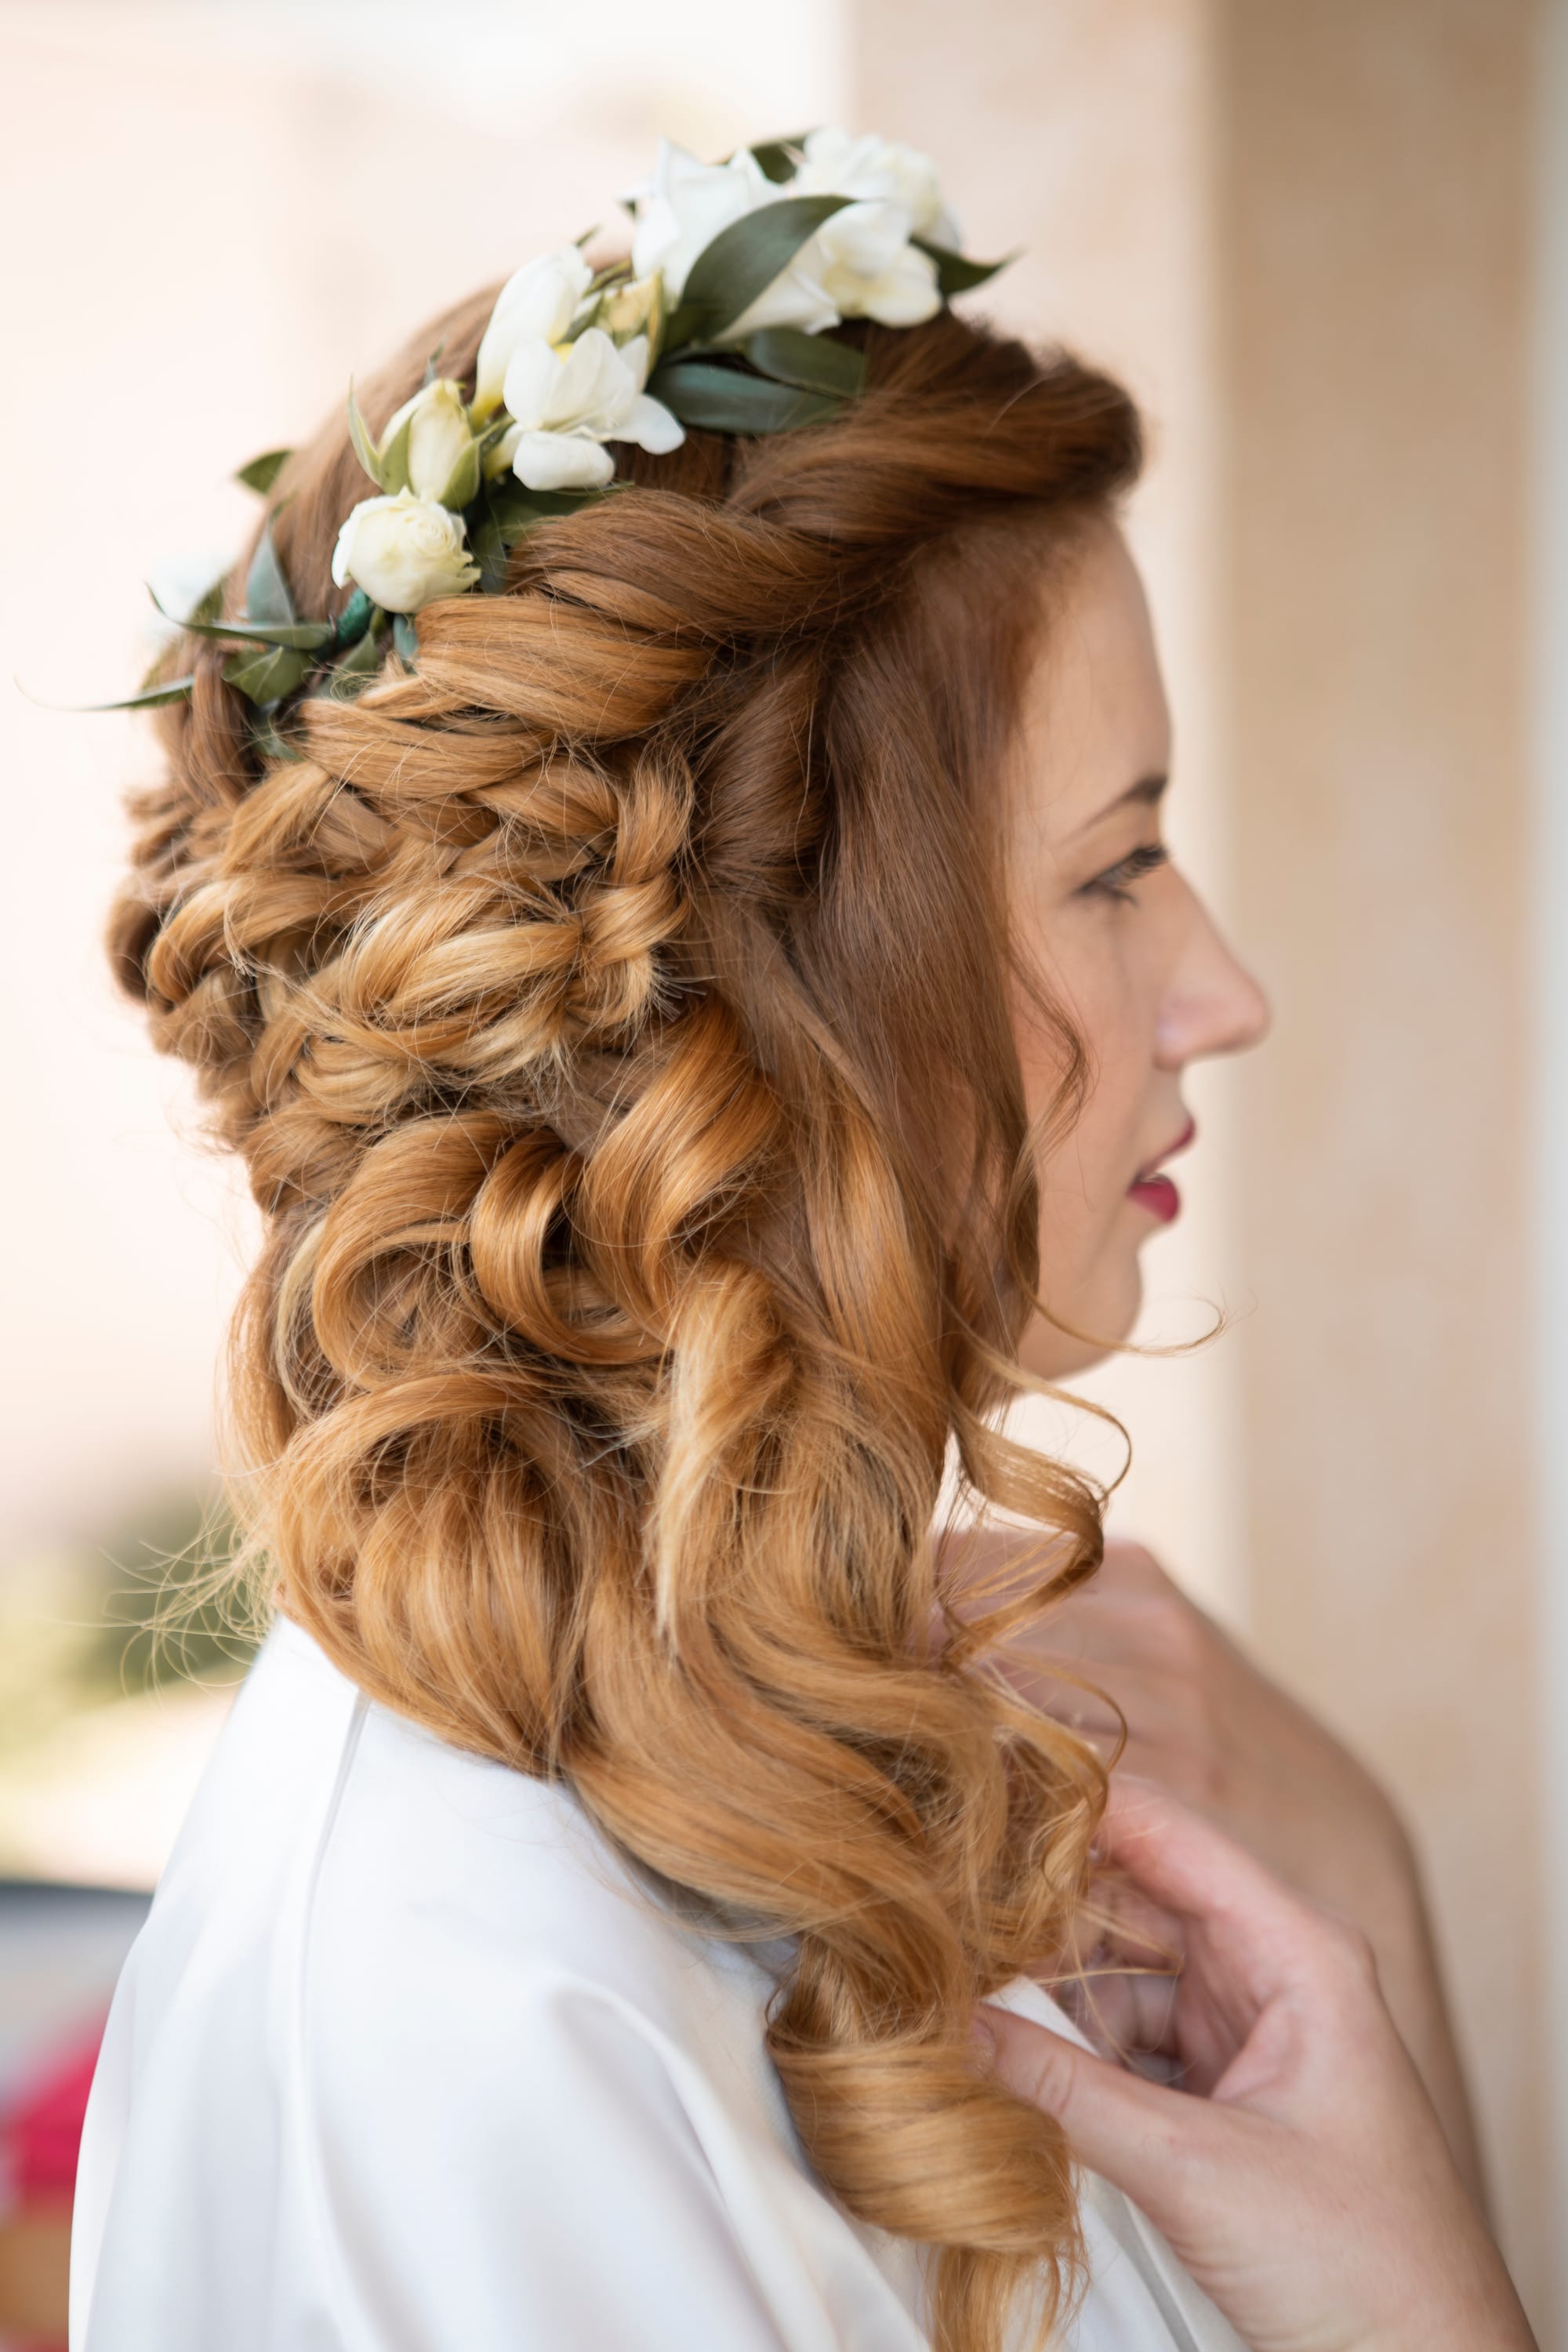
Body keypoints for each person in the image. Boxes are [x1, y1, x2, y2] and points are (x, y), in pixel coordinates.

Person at [70, 132, 1533, 2352]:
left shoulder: (913, 1773)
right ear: (782, 994)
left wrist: (1363, 1895)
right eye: (1121, 867)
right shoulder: (472, 2028)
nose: (1224, 989)